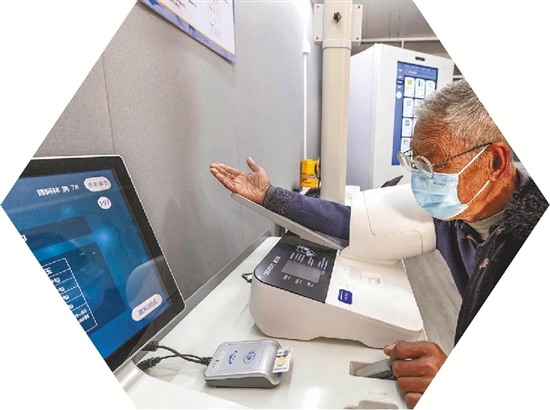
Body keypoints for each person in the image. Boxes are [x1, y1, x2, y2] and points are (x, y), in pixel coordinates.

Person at [210, 80, 548, 408]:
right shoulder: (455, 211)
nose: (420, 179)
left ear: (495, 162)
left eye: (432, 164)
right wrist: (270, 197)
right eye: (415, 163)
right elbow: (352, 223)